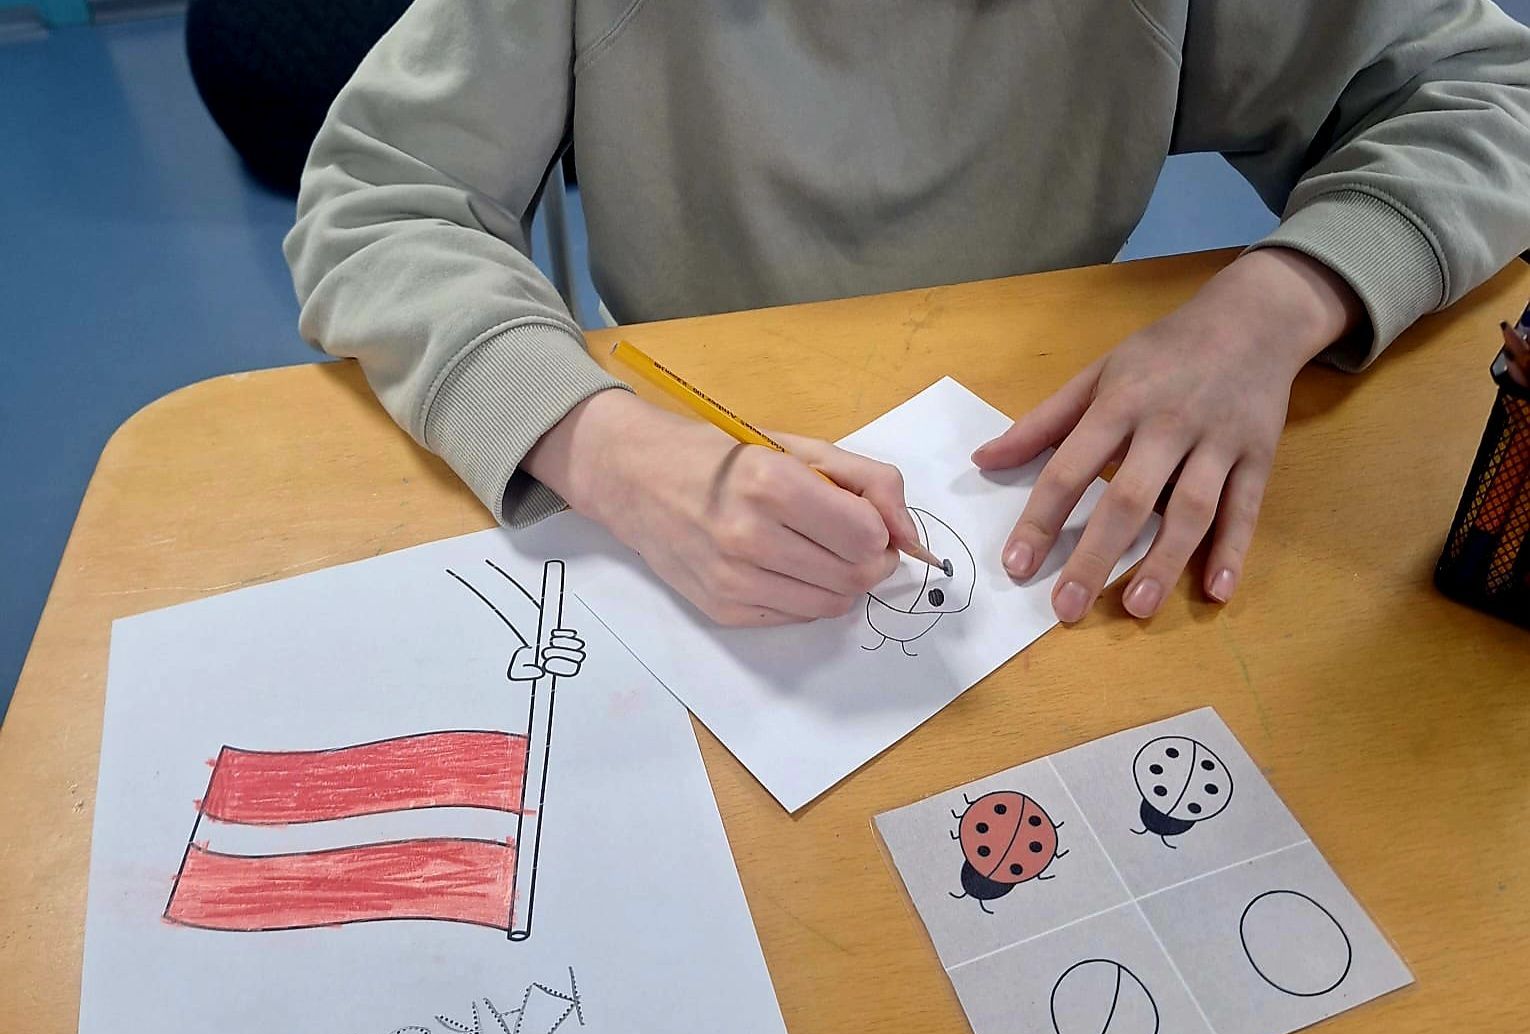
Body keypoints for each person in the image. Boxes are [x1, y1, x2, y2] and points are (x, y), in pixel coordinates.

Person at [286, 1, 1530, 627]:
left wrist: (1279, 298)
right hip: (680, 426)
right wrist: (597, 442)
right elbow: (380, 202)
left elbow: (1484, 90)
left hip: (1030, 435)